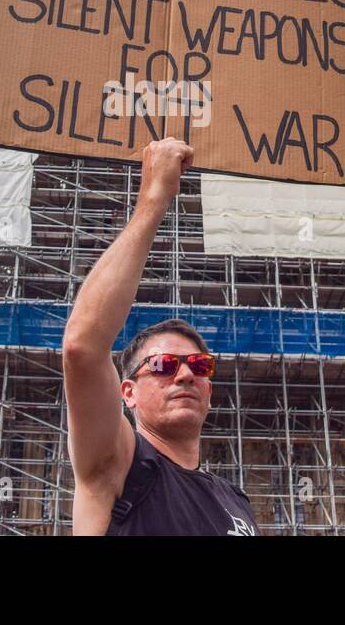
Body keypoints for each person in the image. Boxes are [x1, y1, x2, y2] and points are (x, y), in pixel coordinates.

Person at [62, 137, 260, 535]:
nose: (185, 375)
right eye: (163, 365)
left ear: (210, 390)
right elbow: (83, 347)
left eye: (199, 366)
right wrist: (155, 198)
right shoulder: (120, 464)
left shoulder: (235, 503)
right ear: (128, 392)